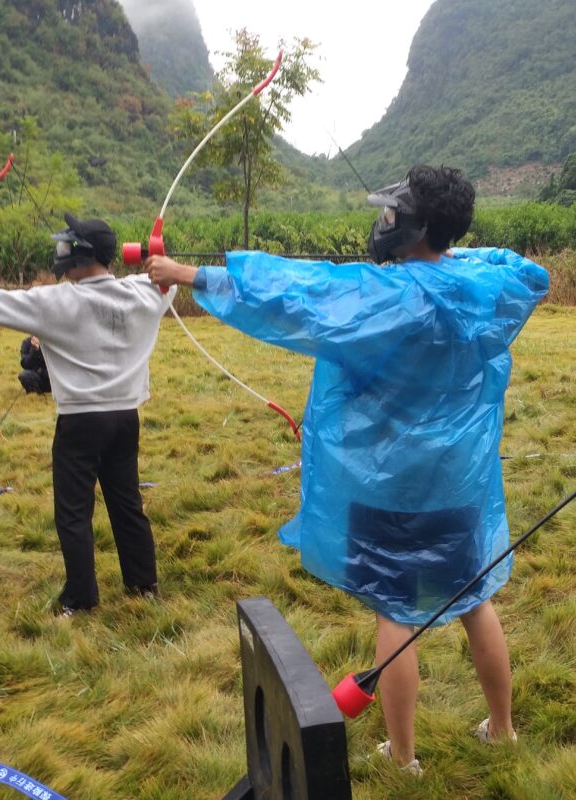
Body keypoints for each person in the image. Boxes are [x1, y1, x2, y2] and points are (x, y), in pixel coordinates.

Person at [146, 165, 549, 773]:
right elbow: (524, 268)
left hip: (390, 487)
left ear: (415, 227)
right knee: (472, 601)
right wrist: (449, 252)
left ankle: (404, 756)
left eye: (394, 216)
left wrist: (185, 274)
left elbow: (297, 291)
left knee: (395, 610)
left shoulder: (386, 297)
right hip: (457, 486)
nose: (382, 224)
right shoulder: (488, 288)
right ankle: (502, 728)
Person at [0, 214, 176, 615]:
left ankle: (81, 600)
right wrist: (158, 260)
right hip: (124, 420)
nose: (60, 251)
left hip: (81, 423)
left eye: (68, 245)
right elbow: (168, 282)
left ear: (82, 255)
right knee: (127, 505)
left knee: (73, 514)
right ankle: (143, 585)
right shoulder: (146, 293)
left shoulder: (55, 302)